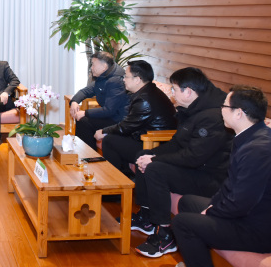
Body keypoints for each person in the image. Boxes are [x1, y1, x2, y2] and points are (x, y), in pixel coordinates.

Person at [131, 67, 233, 258]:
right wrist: (150, 155)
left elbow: (194, 157)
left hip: (211, 178)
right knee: (143, 155)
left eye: (174, 89)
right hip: (197, 168)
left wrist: (155, 159)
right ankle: (146, 217)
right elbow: (177, 143)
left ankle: (164, 235)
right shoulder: (193, 108)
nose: (172, 93)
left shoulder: (213, 117)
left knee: (155, 169)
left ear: (188, 92)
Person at [172, 86, 271, 267]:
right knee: (187, 202)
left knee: (182, 223)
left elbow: (242, 202)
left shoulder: (258, 150)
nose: (221, 110)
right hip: (246, 214)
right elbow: (230, 185)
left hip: (258, 228)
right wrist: (213, 206)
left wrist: (211, 212)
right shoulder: (250, 136)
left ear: (238, 113)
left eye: (224, 106)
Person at [94, 60, 176, 177]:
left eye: (126, 76)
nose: (123, 79)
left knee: (109, 140)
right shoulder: (148, 91)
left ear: (137, 80)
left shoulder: (144, 99)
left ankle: (115, 181)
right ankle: (124, 177)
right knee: (113, 137)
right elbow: (130, 123)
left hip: (153, 144)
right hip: (145, 138)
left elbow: (126, 127)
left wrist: (104, 131)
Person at [69, 51, 130, 150]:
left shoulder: (116, 81)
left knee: (84, 121)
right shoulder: (105, 76)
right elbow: (86, 91)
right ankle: (86, 153)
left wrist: (85, 112)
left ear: (104, 66)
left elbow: (109, 110)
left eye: (93, 64)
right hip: (111, 116)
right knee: (83, 120)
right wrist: (74, 101)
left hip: (119, 120)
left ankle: (88, 154)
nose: (91, 68)